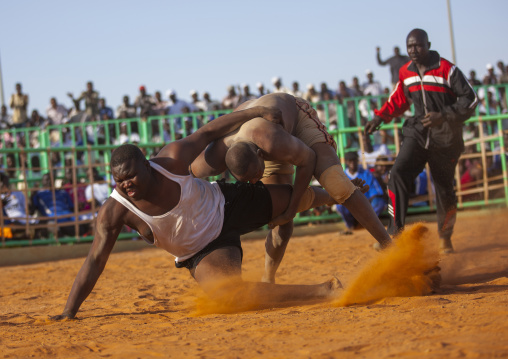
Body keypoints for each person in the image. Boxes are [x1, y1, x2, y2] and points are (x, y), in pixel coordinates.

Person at [51, 105, 342, 321]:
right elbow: (94, 260)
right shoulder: (114, 212)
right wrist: (69, 311)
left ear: (147, 165)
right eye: (119, 181)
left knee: (294, 198)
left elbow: (208, 132)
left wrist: (256, 111)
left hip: (227, 205)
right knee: (229, 297)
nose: (127, 185)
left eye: (131, 177)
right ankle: (323, 290)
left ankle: (338, 195)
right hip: (203, 251)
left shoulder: (171, 159)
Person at [190, 93, 392, 283]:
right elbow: (184, 171)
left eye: (254, 176)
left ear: (261, 156)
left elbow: (308, 159)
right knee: (279, 217)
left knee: (336, 183)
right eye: (247, 180)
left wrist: (291, 209)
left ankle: (388, 245)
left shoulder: (270, 140)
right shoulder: (211, 159)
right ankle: (268, 279)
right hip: (259, 131)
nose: (254, 182)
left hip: (294, 118)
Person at [365, 28, 478, 254]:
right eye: (409, 47)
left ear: (428, 45)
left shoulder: (447, 69)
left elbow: (471, 99)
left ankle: (445, 237)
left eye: (418, 46)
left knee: (444, 188)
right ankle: (394, 232)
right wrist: (380, 117)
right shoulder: (406, 71)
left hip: (446, 138)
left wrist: (444, 115)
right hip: (418, 133)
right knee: (397, 174)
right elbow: (398, 98)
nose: (413, 50)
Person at [335, 152, 387, 235]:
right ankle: (351, 226)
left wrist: (363, 203)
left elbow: (375, 192)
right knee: (339, 206)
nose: (352, 163)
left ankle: (367, 224)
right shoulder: (342, 176)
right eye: (350, 161)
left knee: (379, 203)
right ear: (346, 162)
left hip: (367, 205)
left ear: (357, 161)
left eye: (354, 160)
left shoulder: (366, 174)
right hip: (350, 205)